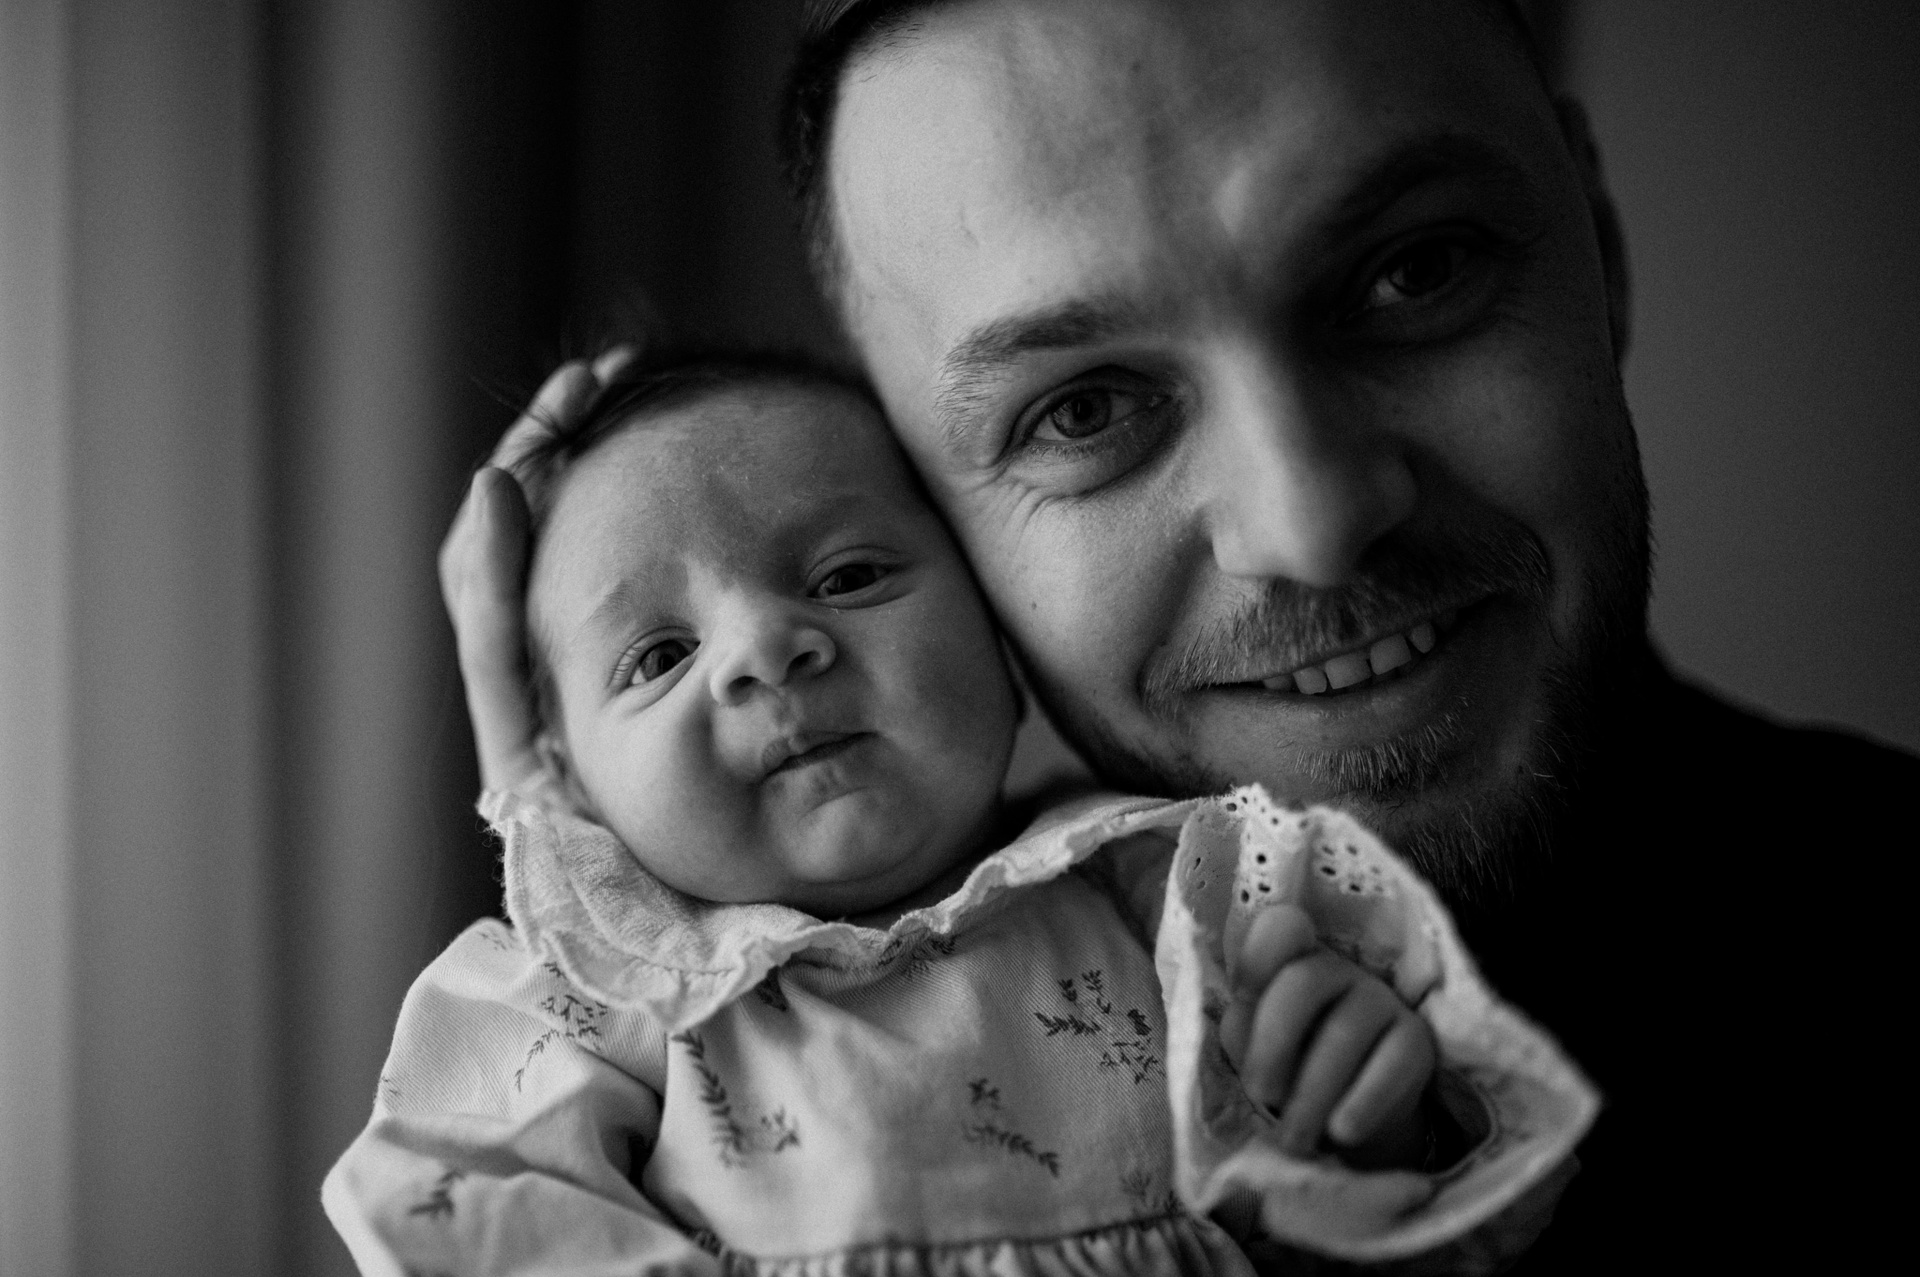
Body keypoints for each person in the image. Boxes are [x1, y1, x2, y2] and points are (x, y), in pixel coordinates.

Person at [440, 1, 1918, 1269]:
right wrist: (564, 814)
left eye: (1415, 270)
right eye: (1081, 409)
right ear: (935, 513)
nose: (1310, 519)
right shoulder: (635, 1094)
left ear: (1602, 244)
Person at [327, 346, 1590, 1273]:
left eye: (850, 573)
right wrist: (523, 766)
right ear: (572, 774)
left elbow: (1361, 1224)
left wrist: (1369, 1132)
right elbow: (468, 1215)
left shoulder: (1172, 880)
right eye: (656, 656)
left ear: (1001, 628)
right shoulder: (610, 995)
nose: (764, 647)